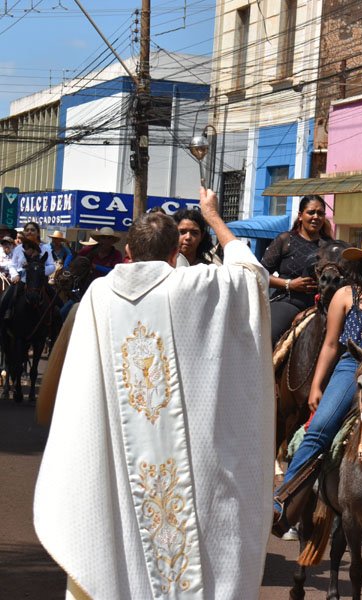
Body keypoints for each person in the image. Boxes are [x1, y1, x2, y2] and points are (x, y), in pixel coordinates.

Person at [33, 188, 275, 599]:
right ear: (173, 253)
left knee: (120, 530)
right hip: (190, 466)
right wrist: (213, 216)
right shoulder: (196, 285)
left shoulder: (97, 296)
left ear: (128, 252)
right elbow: (252, 276)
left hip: (117, 459)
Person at [272, 225, 362, 535]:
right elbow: (330, 344)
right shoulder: (345, 295)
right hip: (351, 367)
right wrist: (317, 385)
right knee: (320, 428)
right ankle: (283, 499)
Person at [261, 195, 333, 346]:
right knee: (267, 337)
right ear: (300, 216)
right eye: (311, 212)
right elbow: (259, 274)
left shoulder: (330, 246)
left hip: (322, 307)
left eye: (320, 213)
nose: (316, 217)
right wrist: (289, 284)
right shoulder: (285, 240)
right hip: (288, 302)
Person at [1, 221, 55, 321]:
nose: (29, 232)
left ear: (38, 233)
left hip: (40, 281)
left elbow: (52, 266)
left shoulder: (46, 248)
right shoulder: (18, 249)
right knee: (5, 300)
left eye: (32, 230)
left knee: (56, 302)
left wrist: (39, 271)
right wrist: (15, 274)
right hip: (21, 279)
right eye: (27, 230)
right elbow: (12, 265)